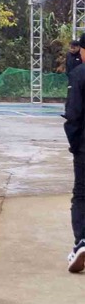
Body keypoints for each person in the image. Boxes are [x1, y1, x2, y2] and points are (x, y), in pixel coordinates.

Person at [63, 32, 85, 273]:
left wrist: (74, 143)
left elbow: (74, 115)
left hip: (84, 146)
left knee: (81, 195)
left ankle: (81, 241)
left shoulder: (79, 74)